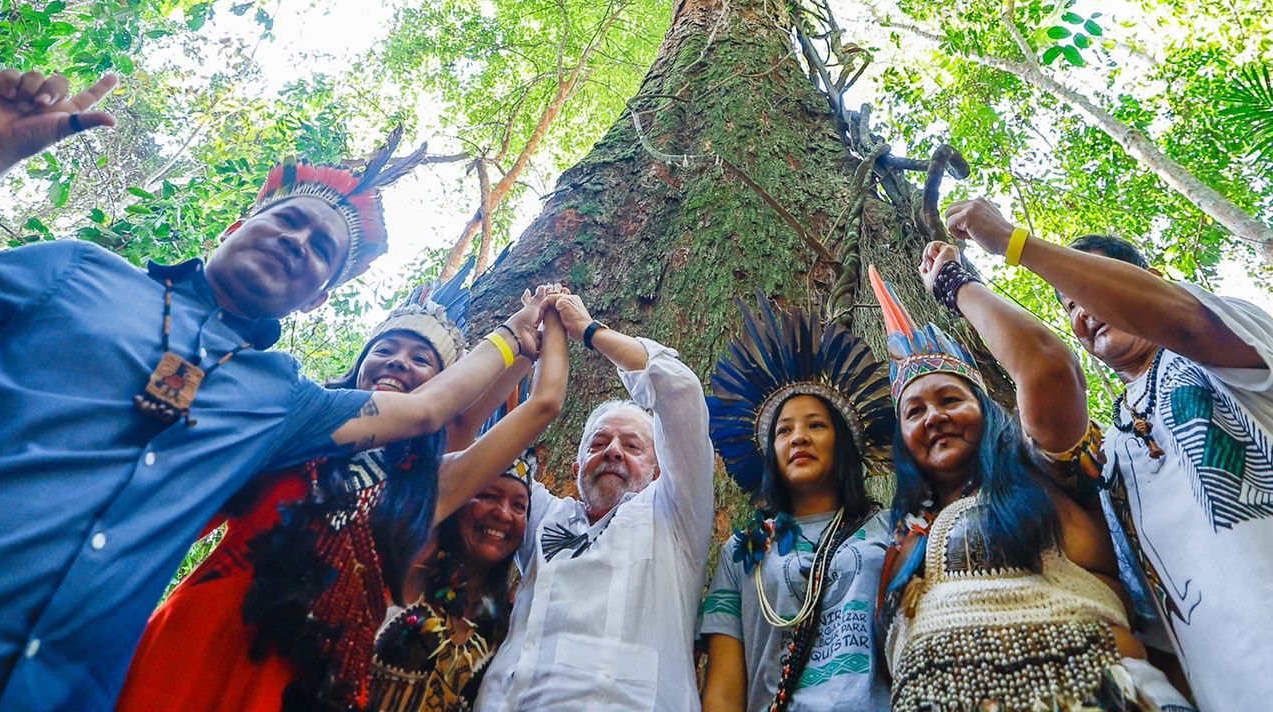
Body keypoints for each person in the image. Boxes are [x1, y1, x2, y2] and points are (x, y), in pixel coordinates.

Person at [0, 68, 542, 712]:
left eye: (321, 250)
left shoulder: (283, 401)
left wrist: (518, 332)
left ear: (321, 297)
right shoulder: (78, 274)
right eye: (287, 220)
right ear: (237, 225)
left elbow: (430, 410)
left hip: (49, 689)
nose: (298, 242)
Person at [943, 197, 1273, 710]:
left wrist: (1018, 244)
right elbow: (1047, 367)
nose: (1081, 312)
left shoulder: (1228, 355)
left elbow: (1181, 321)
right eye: (1069, 306)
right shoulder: (1112, 453)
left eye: (1087, 288)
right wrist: (957, 286)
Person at [117, 270, 569, 712]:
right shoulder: (295, 427)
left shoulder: (429, 489)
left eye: (421, 359)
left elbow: (533, 406)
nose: (397, 362)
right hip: (199, 639)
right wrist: (514, 337)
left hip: (309, 684)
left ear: (446, 386)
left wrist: (538, 339)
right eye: (385, 349)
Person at [872, 260, 1189, 712]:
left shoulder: (1038, 471)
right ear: (901, 438)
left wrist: (954, 284)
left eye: (950, 399)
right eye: (914, 411)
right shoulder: (896, 539)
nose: (934, 417)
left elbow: (1048, 369)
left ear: (988, 411)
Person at [475, 293, 715, 712]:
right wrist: (528, 336)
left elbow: (679, 390)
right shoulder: (542, 515)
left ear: (660, 470)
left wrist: (586, 329)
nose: (614, 452)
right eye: (600, 443)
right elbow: (484, 459)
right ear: (576, 467)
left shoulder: (674, 516)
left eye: (633, 445)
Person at [699, 296, 894, 712]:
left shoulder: (891, 528)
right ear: (770, 451)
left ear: (844, 444)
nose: (798, 438)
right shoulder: (741, 551)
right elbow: (724, 690)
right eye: (783, 430)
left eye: (816, 425)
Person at [367, 452, 539, 711]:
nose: (504, 514)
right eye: (488, 495)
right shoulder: (409, 574)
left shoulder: (508, 627)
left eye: (519, 506)